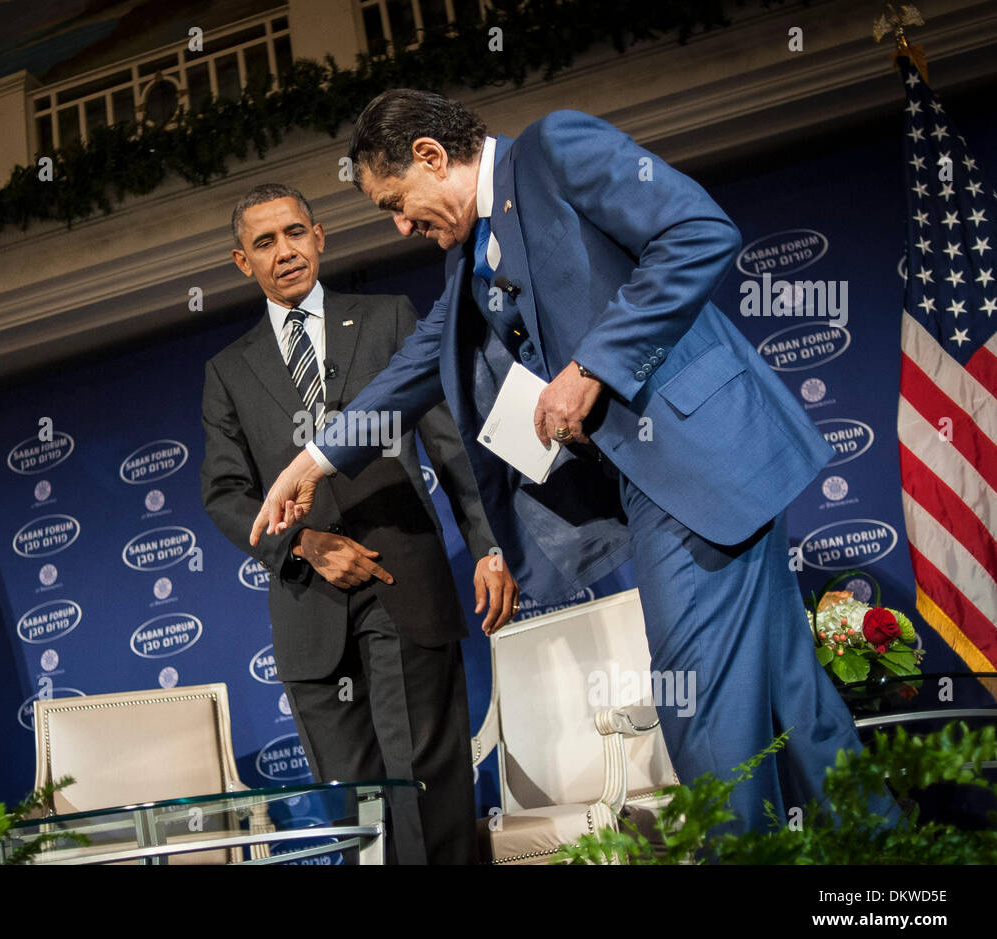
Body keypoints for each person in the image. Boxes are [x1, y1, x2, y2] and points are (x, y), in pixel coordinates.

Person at [250, 91, 872, 835]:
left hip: (697, 463)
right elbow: (418, 365)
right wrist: (315, 460)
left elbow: (698, 230)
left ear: (430, 155)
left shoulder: (554, 149)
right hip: (669, 483)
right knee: (797, 706)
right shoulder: (474, 250)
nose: (401, 225)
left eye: (396, 202)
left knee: (702, 716)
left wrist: (592, 367)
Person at [200, 182, 517, 863]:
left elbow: (450, 443)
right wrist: (302, 545)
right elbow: (225, 493)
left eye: (293, 233)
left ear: (320, 237)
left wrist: (489, 546)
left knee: (425, 794)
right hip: (310, 611)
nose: (283, 251)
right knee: (357, 822)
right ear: (241, 262)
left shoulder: (388, 318)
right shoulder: (227, 371)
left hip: (403, 579)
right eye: (264, 243)